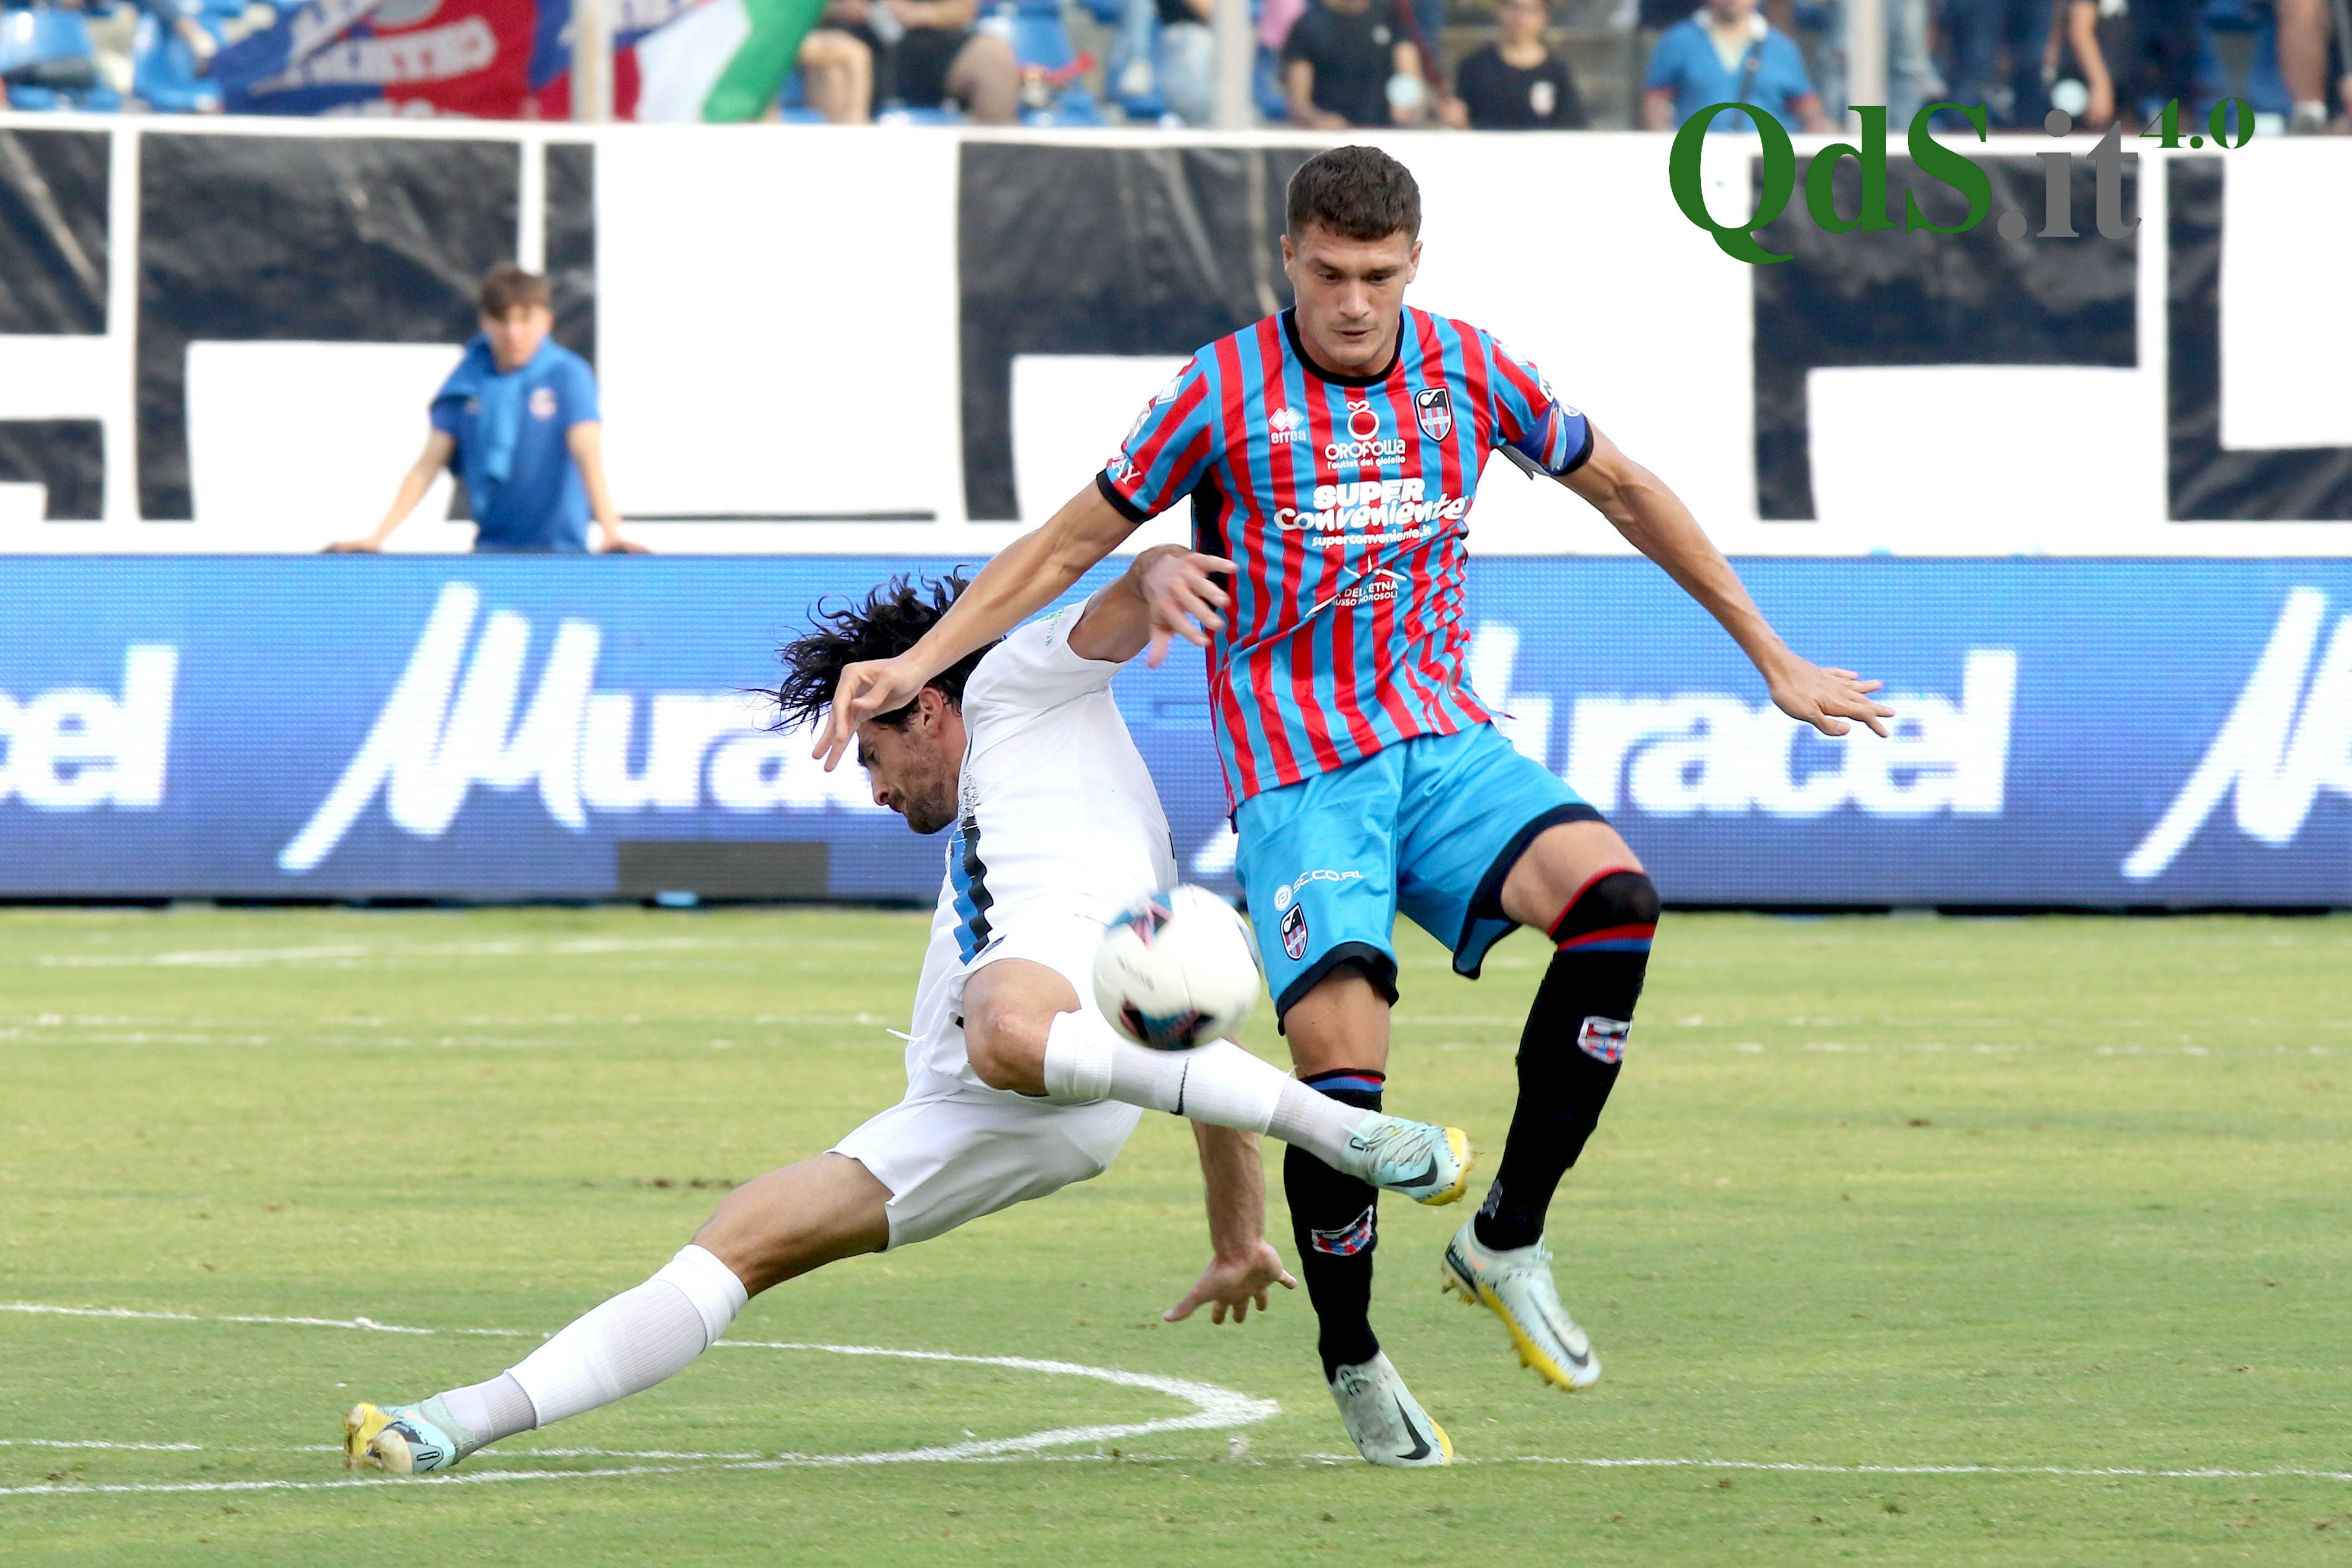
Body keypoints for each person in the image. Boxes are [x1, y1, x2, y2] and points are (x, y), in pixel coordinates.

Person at [815, 145, 1892, 1468]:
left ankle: (1506, 1235)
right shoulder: (1218, 390)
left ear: (1413, 263)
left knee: (1615, 900)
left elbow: (1623, 487)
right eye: (1327, 273)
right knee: (1340, 1080)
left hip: (1442, 742)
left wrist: (1772, 656)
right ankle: (1351, 1351)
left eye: (1377, 275)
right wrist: (924, 664)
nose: (1352, 301)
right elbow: (1068, 542)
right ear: (1289, 259)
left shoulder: (1469, 367)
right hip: (1300, 780)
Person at [342, 561, 1473, 1477]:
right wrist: (1235, 1235)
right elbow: (1181, 1044)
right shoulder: (988, 862)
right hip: (984, 1100)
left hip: (1039, 1021)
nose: (876, 790)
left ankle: (1348, 1133)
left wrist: (1162, 570)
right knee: (739, 1238)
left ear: (925, 703)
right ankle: (456, 1420)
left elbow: (1126, 591)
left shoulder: (1022, 681)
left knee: (1008, 1024)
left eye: (875, 756)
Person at [330, 265, 640, 556]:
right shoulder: (467, 381)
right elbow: (428, 465)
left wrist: (610, 532)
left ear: (546, 321)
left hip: (561, 555)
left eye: (525, 320)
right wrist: (377, 537)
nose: (513, 333)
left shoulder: (567, 375)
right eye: (503, 320)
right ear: (485, 322)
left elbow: (588, 455)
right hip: (491, 556)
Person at [806, 0, 1018, 122]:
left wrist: (923, 13)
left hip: (927, 40)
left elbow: (963, 8)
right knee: (836, 63)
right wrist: (835, 7)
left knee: (992, 59)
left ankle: (991, 174)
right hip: (848, 37)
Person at [1642, 0, 1834, 131]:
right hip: (1699, 161)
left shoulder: (1783, 48)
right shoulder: (1678, 41)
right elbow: (1656, 104)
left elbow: (1809, 110)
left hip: (1767, 166)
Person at [1282, 0, 1428, 127]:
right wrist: (1319, 120)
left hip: (1383, 134)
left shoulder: (1390, 18)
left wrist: (1408, 105)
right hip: (1331, 139)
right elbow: (1299, 103)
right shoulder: (1309, 25)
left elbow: (1410, 75)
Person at [1445, 0, 1587, 127]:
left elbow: (1572, 125)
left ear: (1545, 17)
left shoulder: (1556, 70)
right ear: (1499, 10)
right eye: (1514, 8)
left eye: (1531, 11)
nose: (1520, 18)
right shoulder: (1475, 65)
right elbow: (1463, 120)